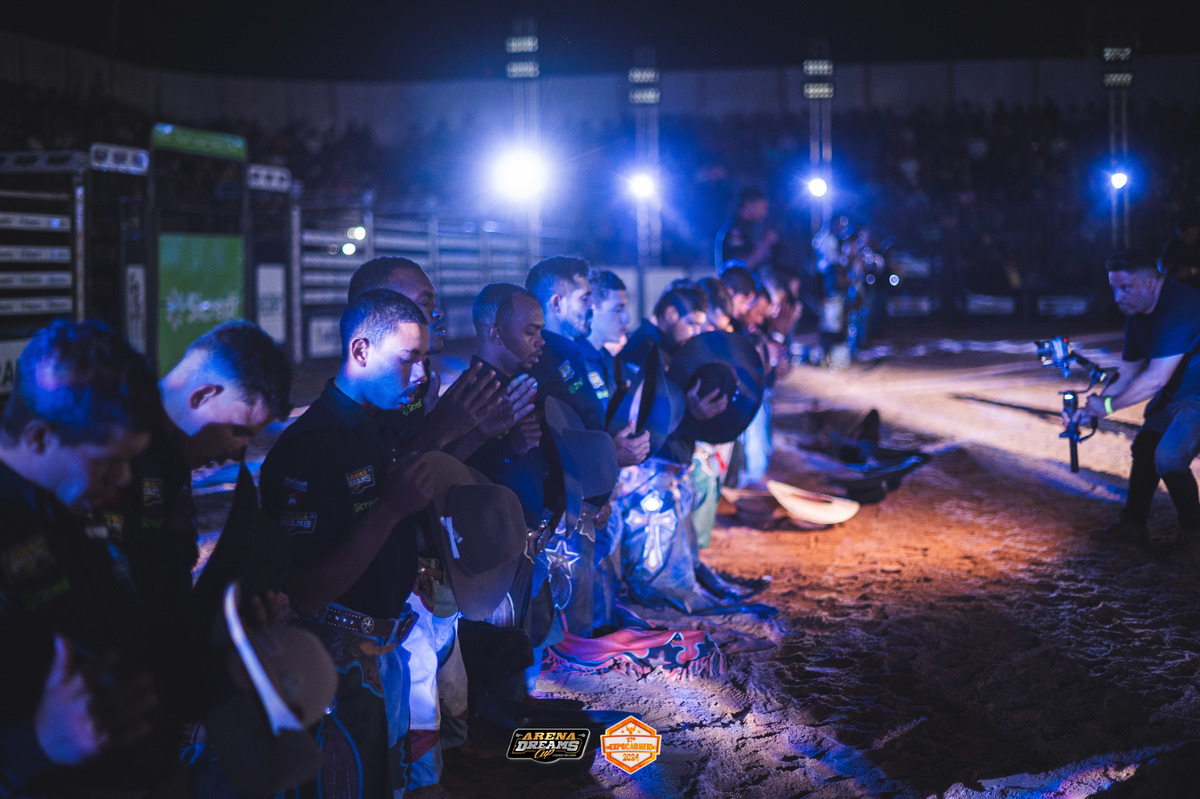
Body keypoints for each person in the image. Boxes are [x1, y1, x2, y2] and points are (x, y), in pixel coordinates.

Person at [259, 289, 434, 798]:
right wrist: (391, 509)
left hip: (384, 656)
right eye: (409, 359)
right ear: (360, 350)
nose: (420, 375)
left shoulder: (376, 426)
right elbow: (306, 592)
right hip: (333, 675)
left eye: (423, 359)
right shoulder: (309, 447)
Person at [0, 320, 168, 798]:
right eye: (107, 461)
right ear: (37, 437)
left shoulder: (84, 500)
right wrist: (36, 744)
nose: (124, 479)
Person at [1072, 249, 1200, 549]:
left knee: (1169, 456)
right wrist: (1090, 410)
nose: (1118, 297)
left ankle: (1194, 537)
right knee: (1145, 448)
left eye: (1126, 287)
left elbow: (1155, 378)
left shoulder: (1181, 306)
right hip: (1178, 393)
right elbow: (1128, 372)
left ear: (1152, 283)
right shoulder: (1138, 313)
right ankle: (1132, 524)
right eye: (1114, 288)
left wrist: (1106, 406)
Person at [715, 187, 777, 269]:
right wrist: (765, 243)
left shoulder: (752, 229)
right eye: (762, 208)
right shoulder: (734, 231)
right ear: (749, 205)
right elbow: (740, 266)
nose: (765, 213)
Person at [1160, 215, 1200, 292]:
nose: (1186, 239)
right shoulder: (1173, 244)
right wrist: (1173, 270)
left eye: (1189, 235)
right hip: (1178, 287)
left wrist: (1191, 271)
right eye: (1183, 236)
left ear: (1197, 229)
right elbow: (1164, 265)